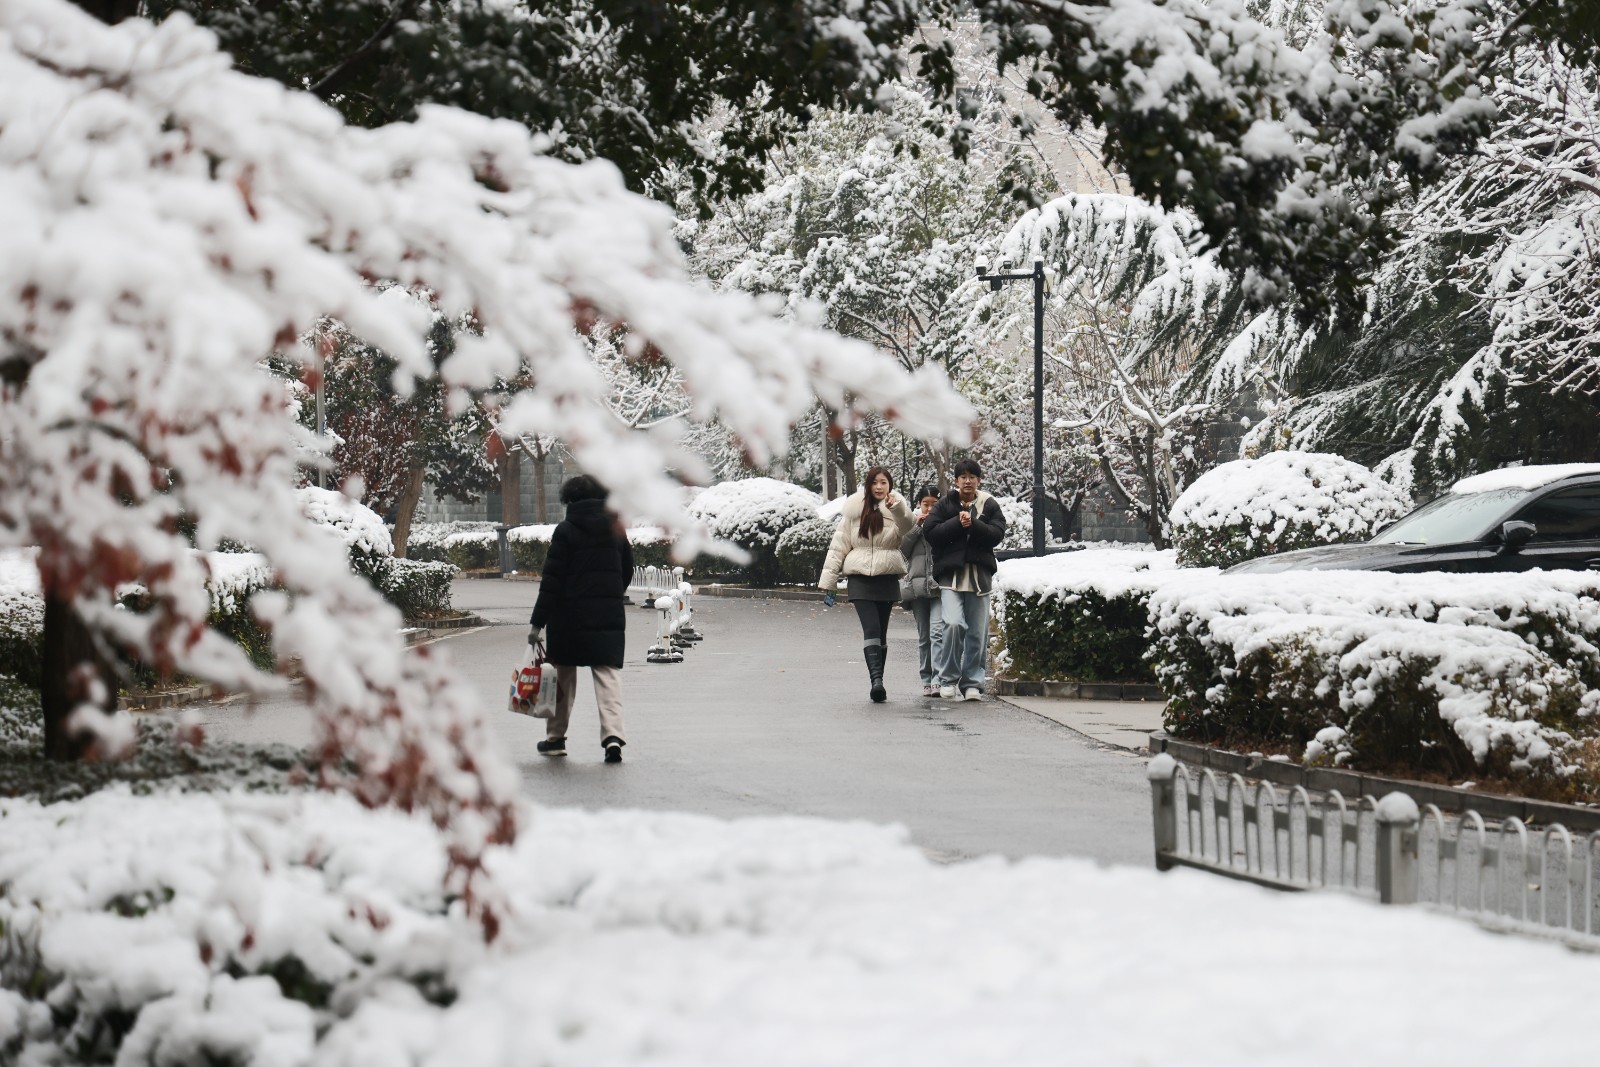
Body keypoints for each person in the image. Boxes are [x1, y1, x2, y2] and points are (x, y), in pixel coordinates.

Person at [528, 474, 634, 763]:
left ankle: (556, 739)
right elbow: (627, 570)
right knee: (607, 676)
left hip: (567, 618)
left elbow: (551, 581)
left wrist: (537, 622)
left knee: (563, 679)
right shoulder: (616, 529)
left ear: (571, 500)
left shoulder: (565, 530)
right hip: (607, 615)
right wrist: (610, 595)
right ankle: (613, 737)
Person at [817, 465, 914, 702]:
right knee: (870, 629)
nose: (879, 487)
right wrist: (829, 581)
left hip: (887, 576)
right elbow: (838, 545)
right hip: (859, 577)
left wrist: (897, 507)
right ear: (868, 485)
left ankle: (879, 678)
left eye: (884, 482)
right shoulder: (853, 510)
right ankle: (876, 682)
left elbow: (908, 526)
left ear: (889, 485)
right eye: (875, 482)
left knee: (881, 633)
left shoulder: (897, 508)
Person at [923, 459, 1007, 701]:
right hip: (951, 576)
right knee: (951, 623)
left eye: (972, 476)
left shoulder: (988, 504)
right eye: (963, 477)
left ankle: (972, 683)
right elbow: (931, 532)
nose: (968, 481)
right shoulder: (945, 503)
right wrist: (957, 524)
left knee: (978, 632)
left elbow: (997, 534)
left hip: (979, 576)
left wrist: (974, 525)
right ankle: (947, 678)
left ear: (978, 480)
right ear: (956, 480)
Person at [898, 486, 945, 697]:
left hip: (938, 587)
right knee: (924, 636)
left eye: (934, 504)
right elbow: (901, 550)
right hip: (917, 590)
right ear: (919, 504)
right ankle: (926, 678)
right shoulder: (911, 523)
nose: (929, 507)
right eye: (926, 503)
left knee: (937, 634)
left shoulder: (944, 524)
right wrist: (917, 527)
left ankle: (938, 679)